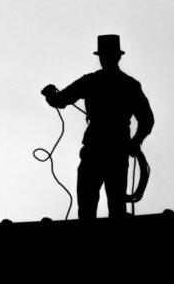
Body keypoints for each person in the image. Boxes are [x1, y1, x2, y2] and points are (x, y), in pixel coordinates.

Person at [41, 34, 154, 219]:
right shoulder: (128, 85)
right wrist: (136, 141)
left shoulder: (94, 81)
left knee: (90, 204)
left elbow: (60, 100)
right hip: (115, 149)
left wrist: (49, 96)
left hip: (99, 149)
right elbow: (147, 120)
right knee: (110, 204)